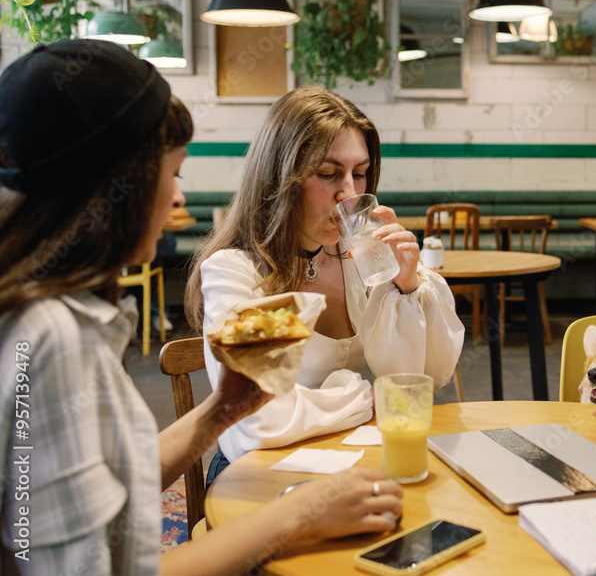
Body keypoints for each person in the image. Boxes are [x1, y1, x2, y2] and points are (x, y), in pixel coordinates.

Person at [0, 40, 402, 575]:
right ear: (108, 188)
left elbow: (114, 480)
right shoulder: (52, 340)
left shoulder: (53, 314)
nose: (176, 200)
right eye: (171, 173)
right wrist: (299, 515)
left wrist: (221, 413)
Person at [184, 86, 463, 477]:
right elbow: (259, 422)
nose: (349, 193)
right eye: (329, 174)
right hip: (256, 477)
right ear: (279, 179)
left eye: (361, 174)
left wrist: (406, 286)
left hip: (343, 462)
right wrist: (356, 396)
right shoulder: (240, 274)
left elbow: (415, 380)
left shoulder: (359, 260)